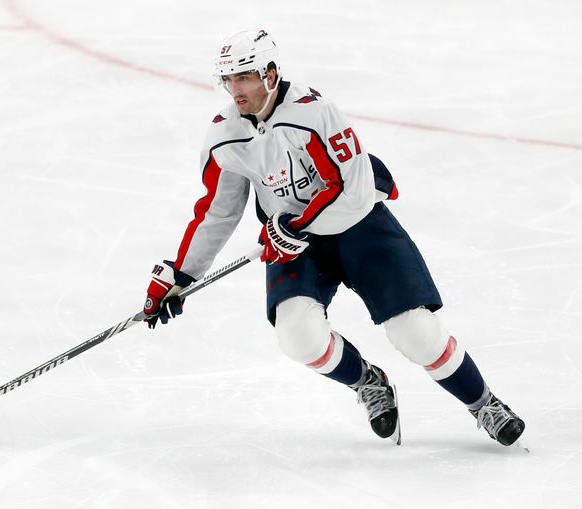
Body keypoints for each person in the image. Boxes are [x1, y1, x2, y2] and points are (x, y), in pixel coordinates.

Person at [141, 29, 525, 447]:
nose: (236, 89)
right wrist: (180, 275)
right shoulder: (225, 137)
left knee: (414, 332)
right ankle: (367, 382)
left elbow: (354, 189)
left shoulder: (314, 112)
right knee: (298, 337)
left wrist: (296, 226)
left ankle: (482, 401)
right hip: (294, 238)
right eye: (228, 79)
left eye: (245, 77)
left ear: (270, 74)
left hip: (358, 225)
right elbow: (218, 210)